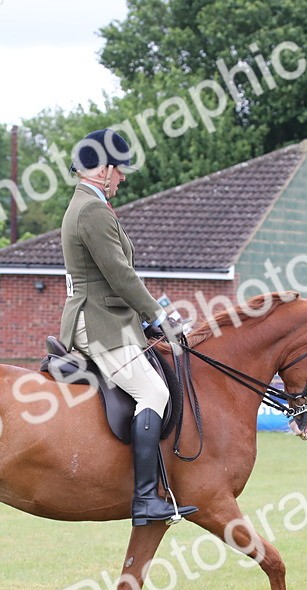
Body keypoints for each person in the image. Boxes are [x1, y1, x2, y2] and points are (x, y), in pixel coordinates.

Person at [59, 128, 197, 527]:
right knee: (152, 390)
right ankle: (145, 499)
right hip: (98, 323)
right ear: (103, 169)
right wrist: (158, 316)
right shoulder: (92, 210)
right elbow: (120, 275)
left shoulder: (89, 205)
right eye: (119, 169)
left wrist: (148, 318)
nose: (122, 177)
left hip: (111, 319)